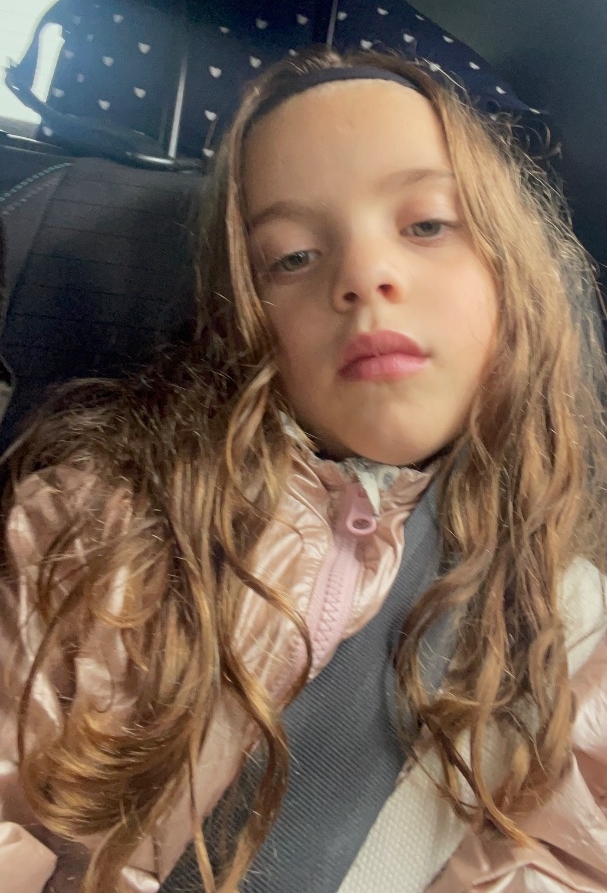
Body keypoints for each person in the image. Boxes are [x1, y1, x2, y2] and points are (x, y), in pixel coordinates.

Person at [0, 47, 606, 893]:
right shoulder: (94, 525)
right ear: (242, 321)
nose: (363, 275)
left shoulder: (572, 626)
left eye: (427, 225)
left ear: (515, 277)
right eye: (290, 257)